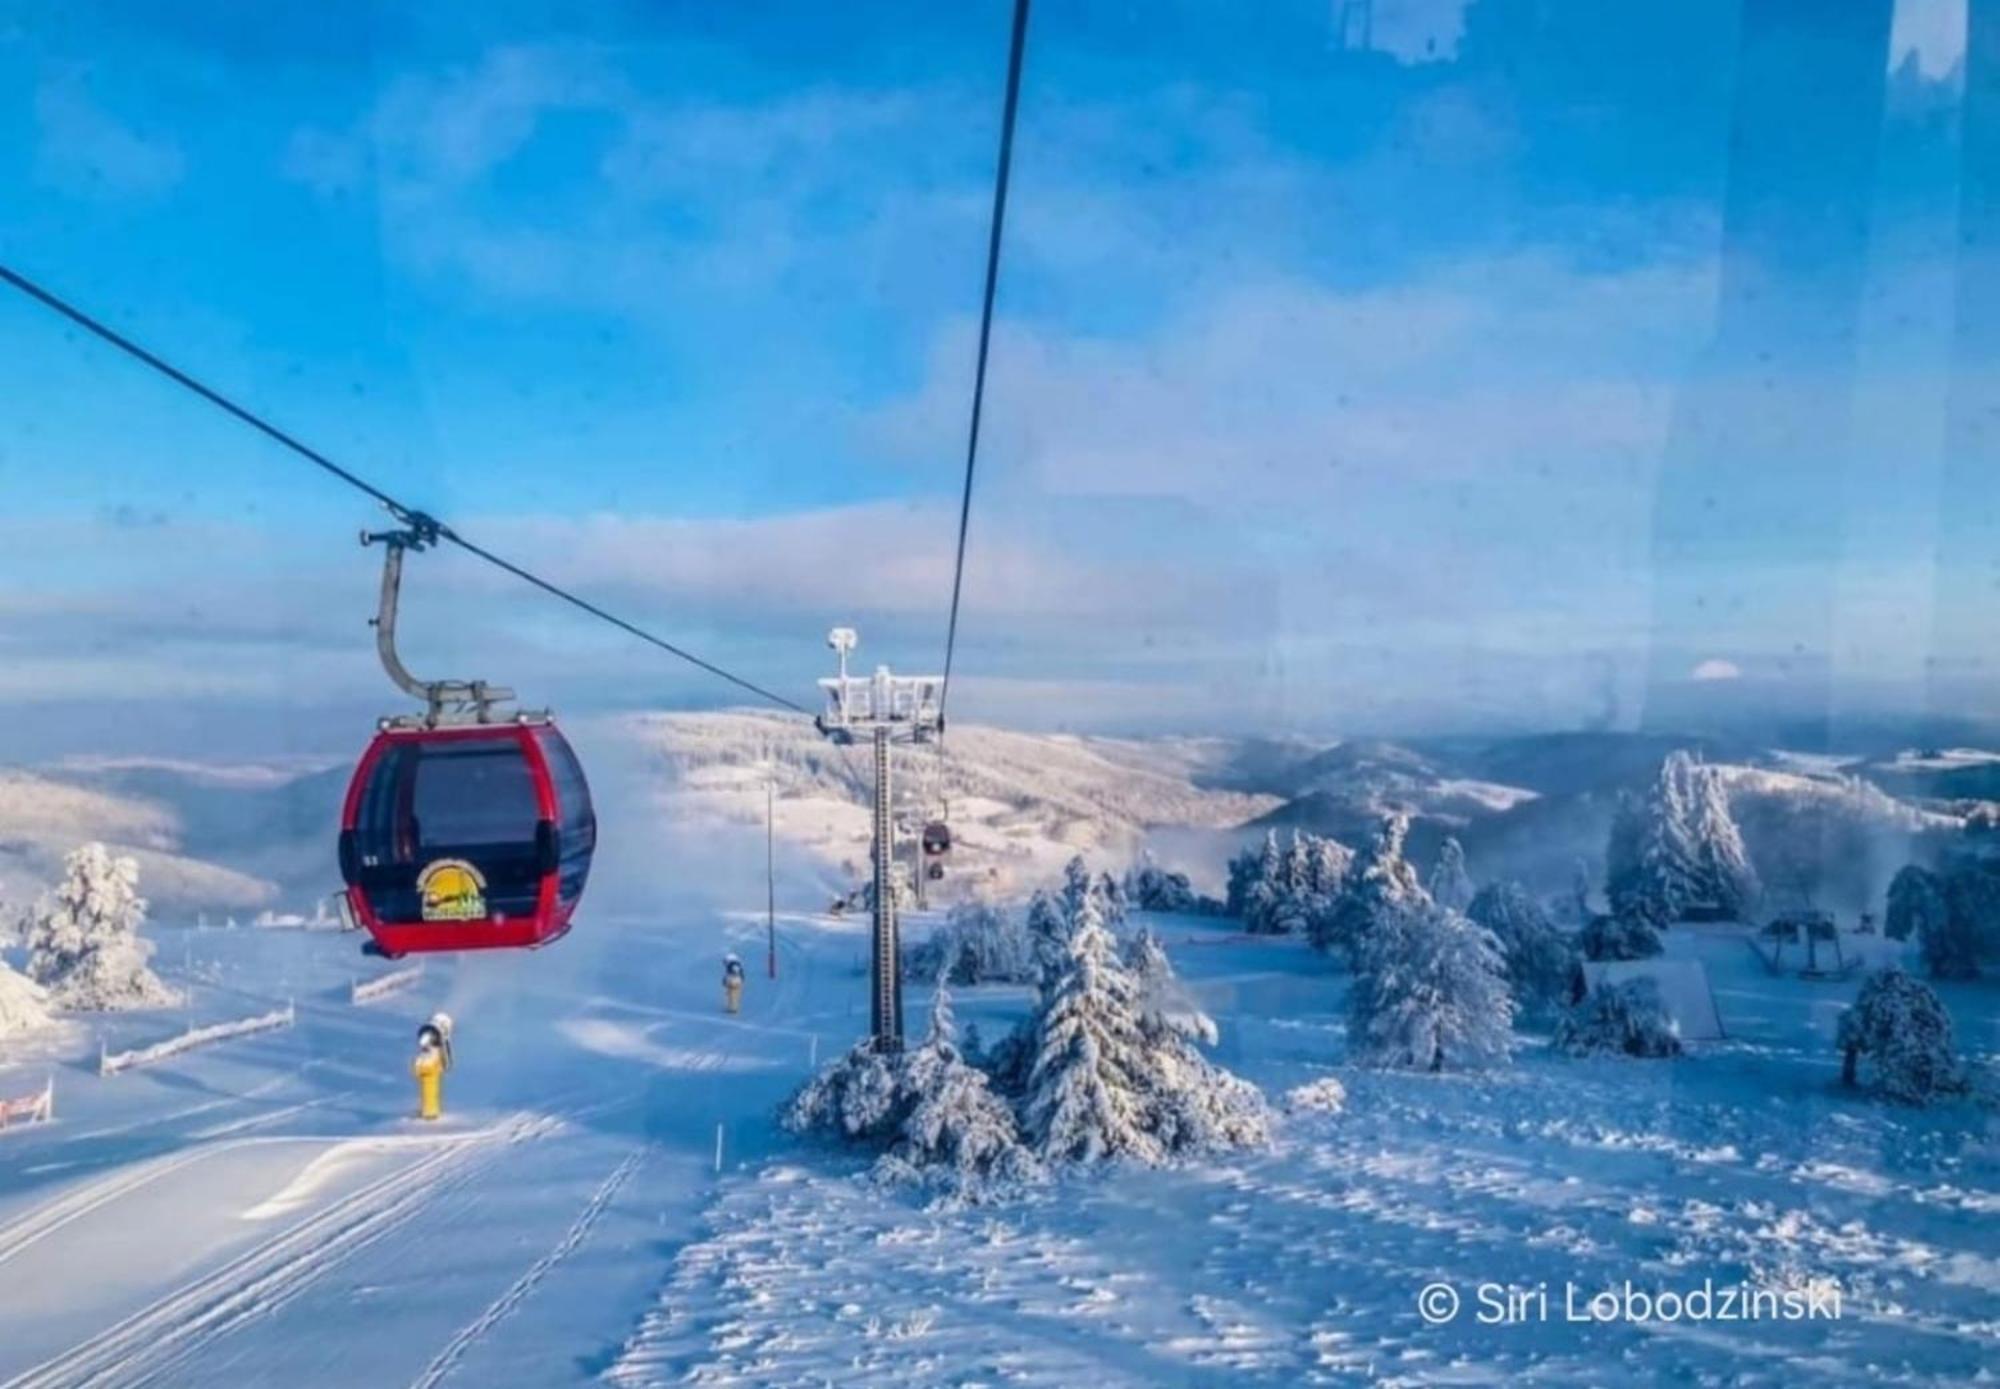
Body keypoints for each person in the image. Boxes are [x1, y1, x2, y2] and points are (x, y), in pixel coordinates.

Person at [412, 1034, 444, 1120]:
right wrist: (417, 1069)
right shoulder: (426, 1053)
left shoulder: (435, 1053)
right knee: (426, 1094)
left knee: (431, 1094)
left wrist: (420, 1069)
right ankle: (427, 1111)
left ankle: (431, 1113)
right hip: (426, 1077)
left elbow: (432, 1065)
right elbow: (419, 1063)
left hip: (431, 1077)